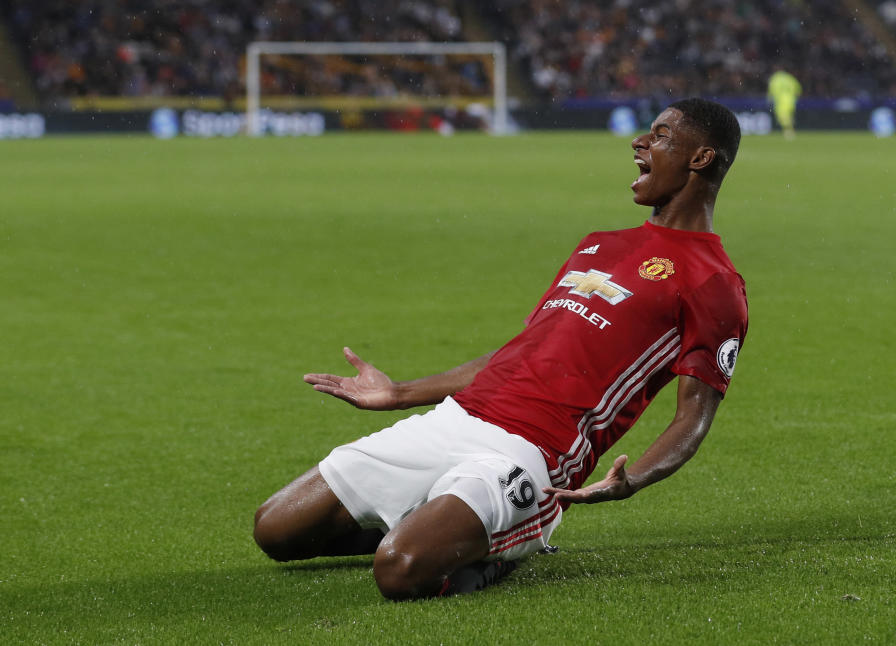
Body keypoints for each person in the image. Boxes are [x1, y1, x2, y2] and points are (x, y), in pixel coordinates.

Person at [254, 98, 748, 600]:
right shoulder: (599, 243)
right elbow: (519, 352)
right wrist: (400, 393)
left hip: (534, 452)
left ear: (700, 159)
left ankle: (514, 539)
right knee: (275, 529)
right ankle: (446, 526)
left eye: (660, 135)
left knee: (400, 571)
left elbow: (695, 415)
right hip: (458, 418)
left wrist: (632, 480)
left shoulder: (715, 282)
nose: (639, 142)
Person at [767, 69, 801, 140]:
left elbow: (771, 90)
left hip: (780, 101)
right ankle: (790, 130)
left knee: (783, 117)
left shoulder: (775, 79)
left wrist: (769, 99)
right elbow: (798, 90)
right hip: (791, 100)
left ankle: (788, 132)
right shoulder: (790, 78)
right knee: (788, 117)